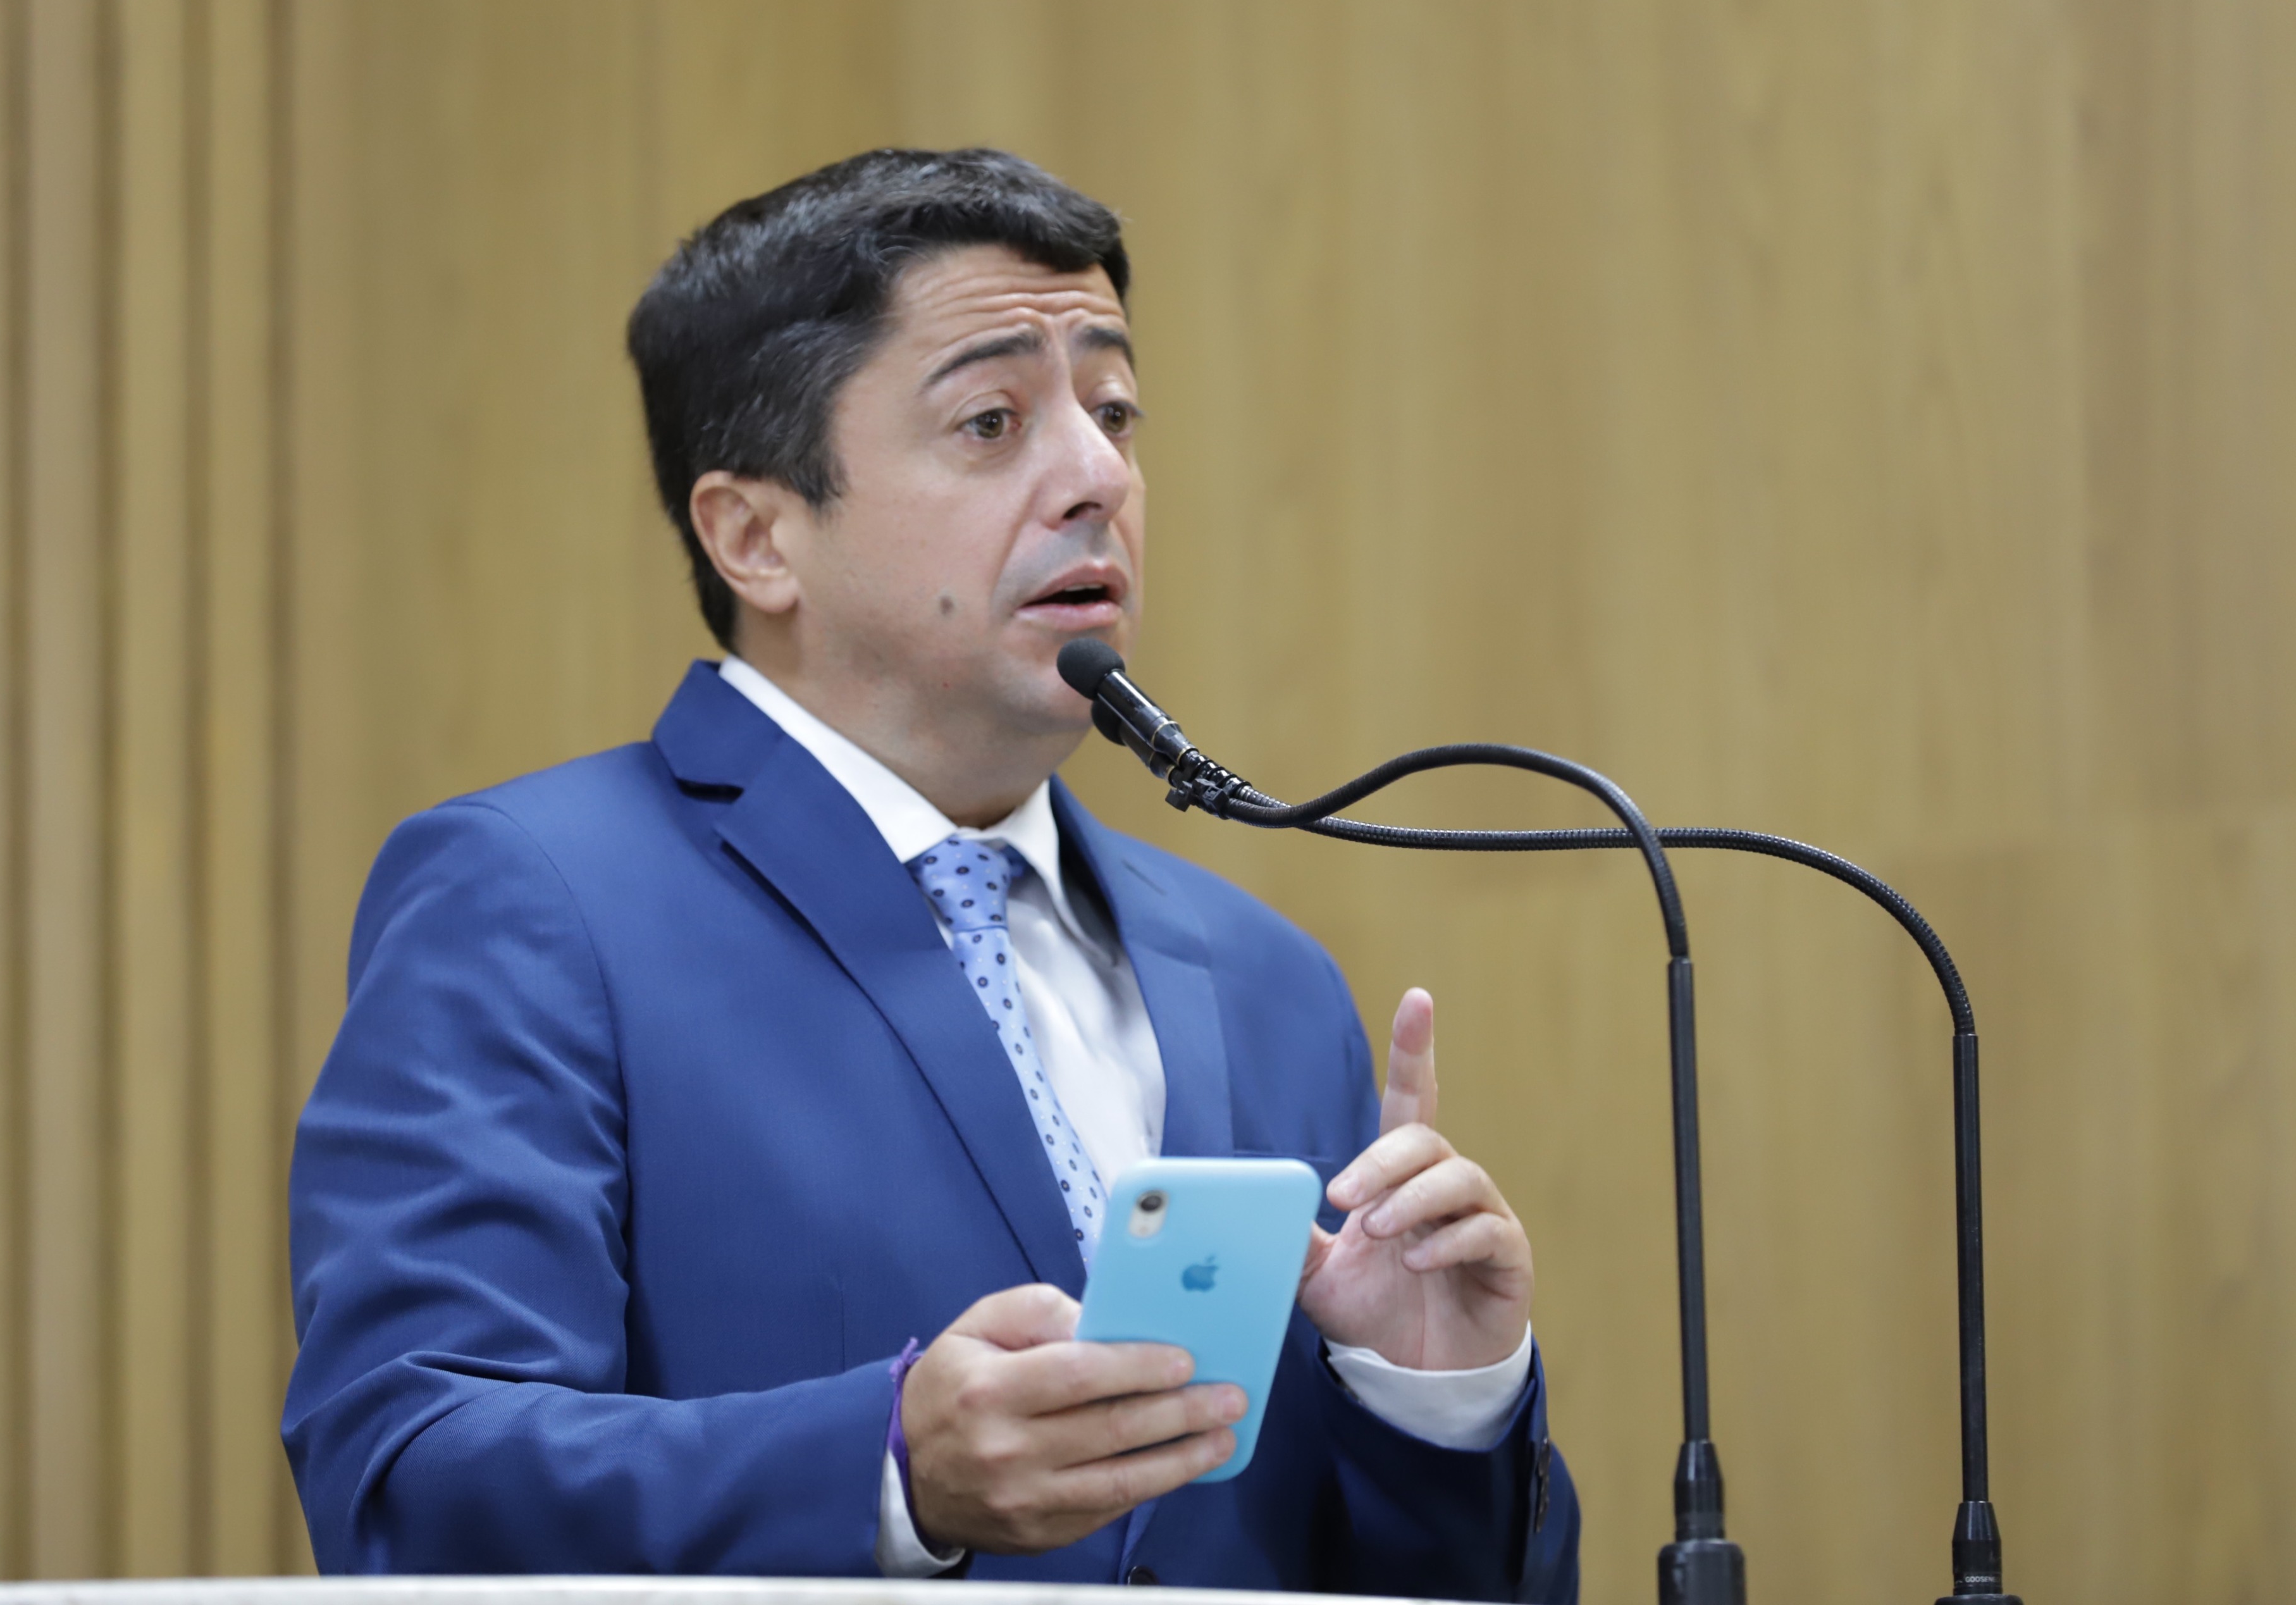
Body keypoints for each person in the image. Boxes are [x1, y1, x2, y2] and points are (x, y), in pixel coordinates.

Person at [283, 148, 1579, 1601]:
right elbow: (408, 1476)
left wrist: (1434, 1402)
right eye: (991, 421)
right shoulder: (532, 902)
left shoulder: (1264, 975)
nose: (1098, 477)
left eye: (1114, 411)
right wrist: (883, 1471)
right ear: (756, 535)